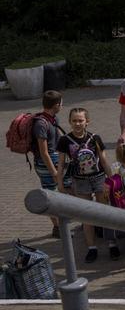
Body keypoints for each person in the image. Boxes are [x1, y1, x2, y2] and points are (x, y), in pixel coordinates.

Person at [57, 108, 113, 263]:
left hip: (99, 178)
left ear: (87, 121)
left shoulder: (95, 138)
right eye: (74, 120)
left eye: (80, 120)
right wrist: (60, 183)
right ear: (69, 121)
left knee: (105, 212)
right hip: (80, 181)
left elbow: (103, 160)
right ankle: (92, 248)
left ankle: (111, 243)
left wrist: (112, 179)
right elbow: (61, 164)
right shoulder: (65, 140)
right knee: (86, 215)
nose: (77, 123)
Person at [32, 91, 65, 237]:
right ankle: (57, 227)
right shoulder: (41, 123)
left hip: (56, 159)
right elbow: (44, 152)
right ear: (56, 105)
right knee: (50, 195)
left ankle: (61, 224)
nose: (62, 106)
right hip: (47, 163)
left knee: (65, 190)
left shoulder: (52, 118)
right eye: (61, 103)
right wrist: (54, 172)